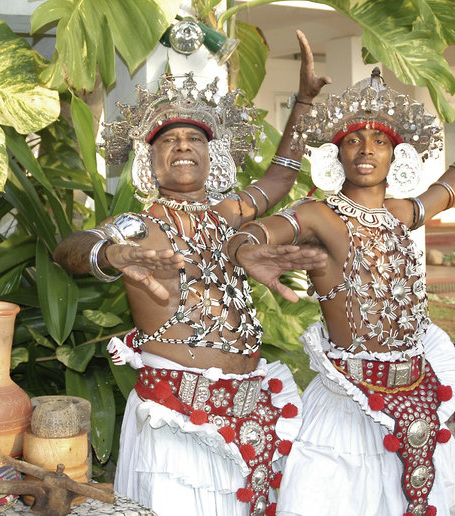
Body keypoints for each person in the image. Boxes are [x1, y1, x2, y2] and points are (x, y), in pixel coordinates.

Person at [227, 58, 455, 515]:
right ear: (337, 155)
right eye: (352, 141)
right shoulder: (319, 214)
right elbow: (257, 231)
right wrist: (246, 248)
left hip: (414, 390)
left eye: (378, 140)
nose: (365, 150)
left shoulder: (400, 214)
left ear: (397, 155)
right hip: (347, 403)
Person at [53, 31, 329, 516]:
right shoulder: (139, 225)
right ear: (150, 161)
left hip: (251, 404)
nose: (183, 146)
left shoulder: (229, 214)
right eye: (169, 140)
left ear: (211, 154)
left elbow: (281, 176)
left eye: (195, 138)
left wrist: (303, 101)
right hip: (177, 419)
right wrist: (109, 255)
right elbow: (69, 249)